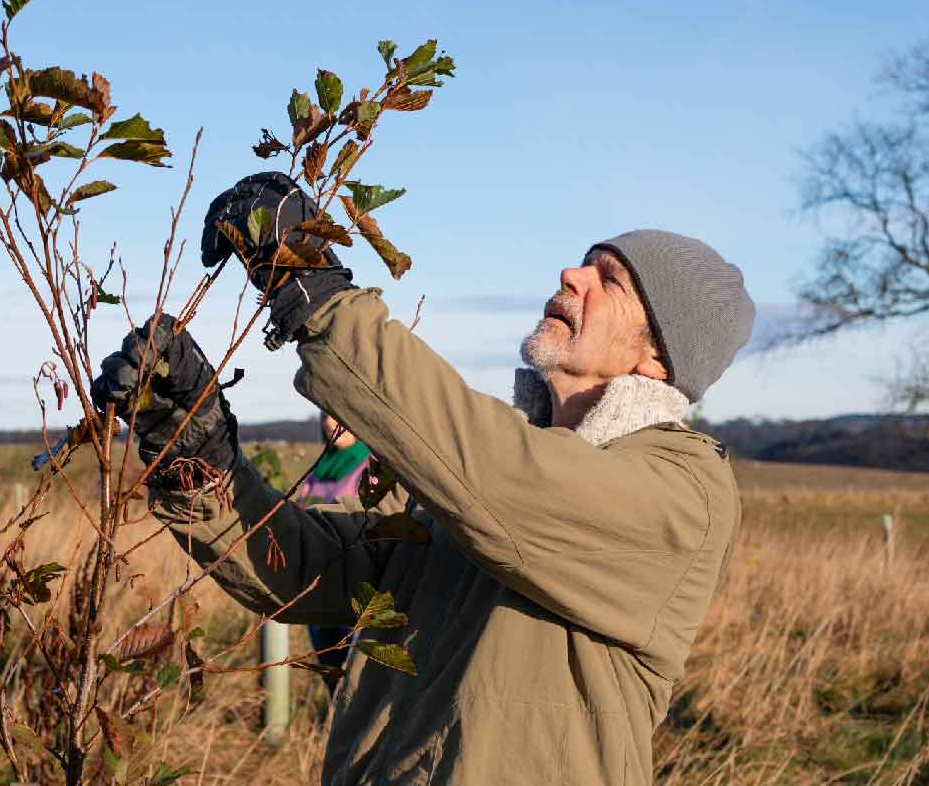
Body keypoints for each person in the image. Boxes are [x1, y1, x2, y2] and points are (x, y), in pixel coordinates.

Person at [92, 172, 753, 784]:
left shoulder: (683, 491)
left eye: (608, 278)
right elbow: (316, 571)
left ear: (659, 356)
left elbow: (495, 471)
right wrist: (196, 454)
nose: (571, 273)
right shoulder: (487, 481)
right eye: (584, 259)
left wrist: (312, 287)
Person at [294, 412, 372, 688]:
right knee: (329, 674)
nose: (329, 423)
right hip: (317, 586)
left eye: (338, 414)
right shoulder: (319, 467)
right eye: (325, 415)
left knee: (355, 681)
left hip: (355, 589)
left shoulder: (370, 465)